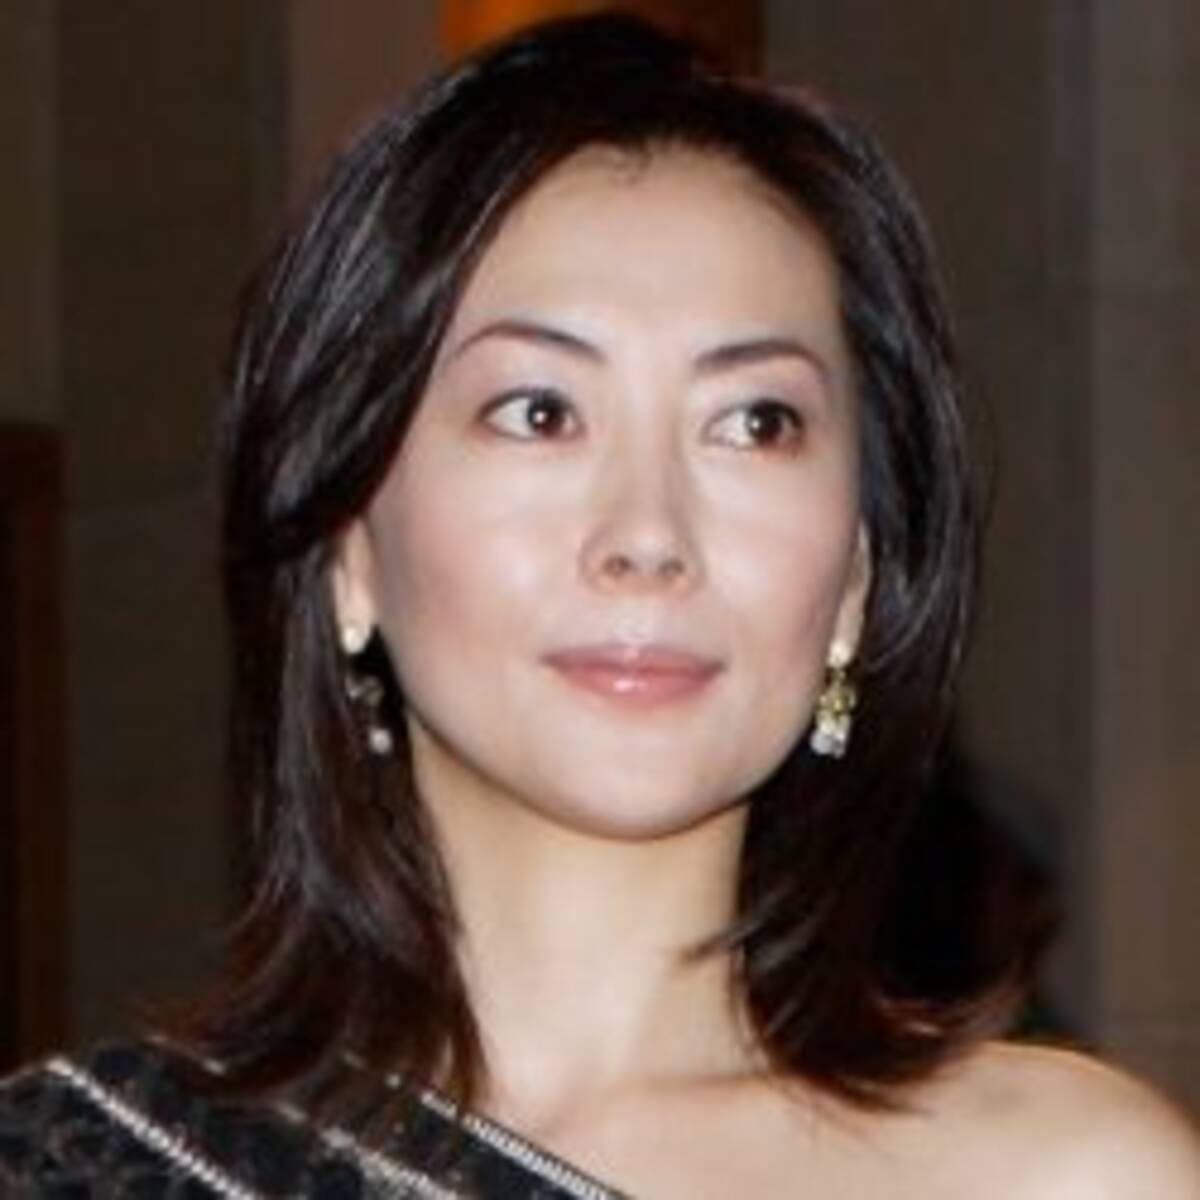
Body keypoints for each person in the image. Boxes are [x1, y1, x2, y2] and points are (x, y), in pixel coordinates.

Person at [3, 12, 1198, 1197]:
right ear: (349, 544)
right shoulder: (84, 1168)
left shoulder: (1065, 1176)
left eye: (756, 423)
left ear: (855, 578)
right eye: (539, 413)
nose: (648, 536)